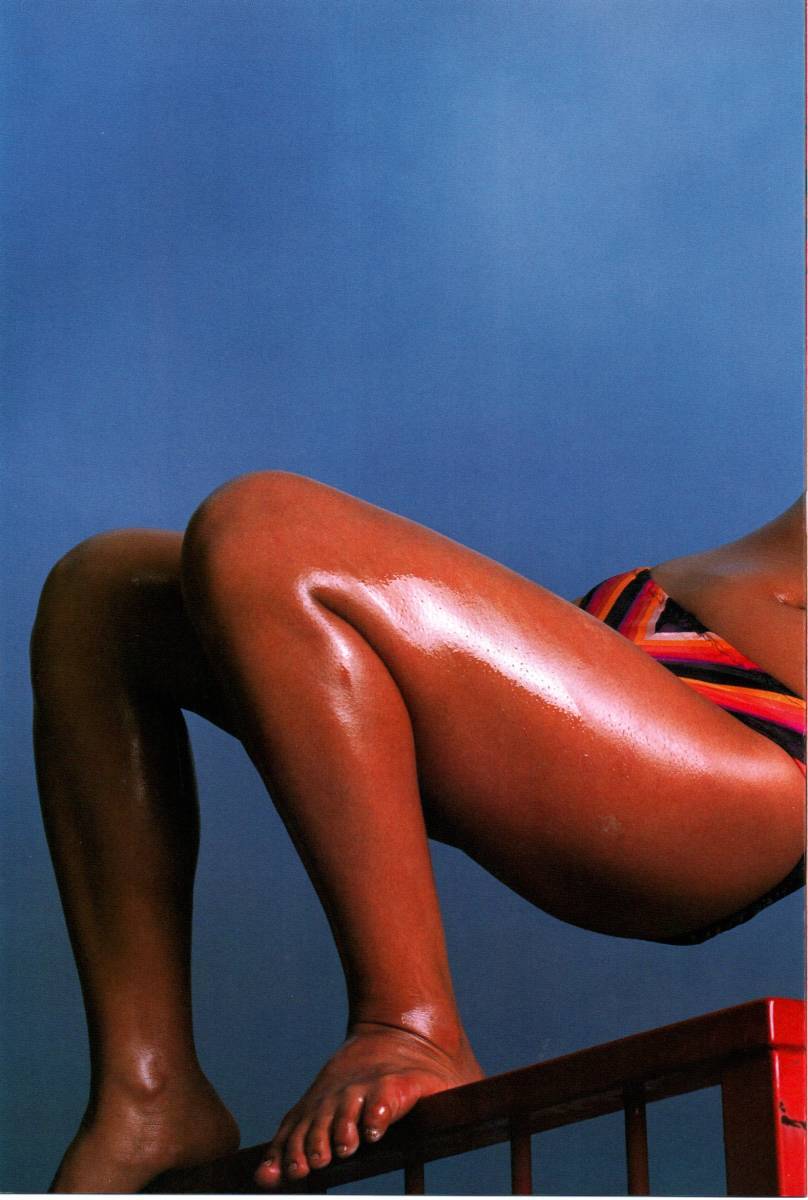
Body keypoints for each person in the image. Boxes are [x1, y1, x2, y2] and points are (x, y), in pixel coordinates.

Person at [30, 471, 805, 1193]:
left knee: (269, 528)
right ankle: (149, 1094)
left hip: (757, 747)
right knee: (102, 593)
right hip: (638, 657)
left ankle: (412, 1024)